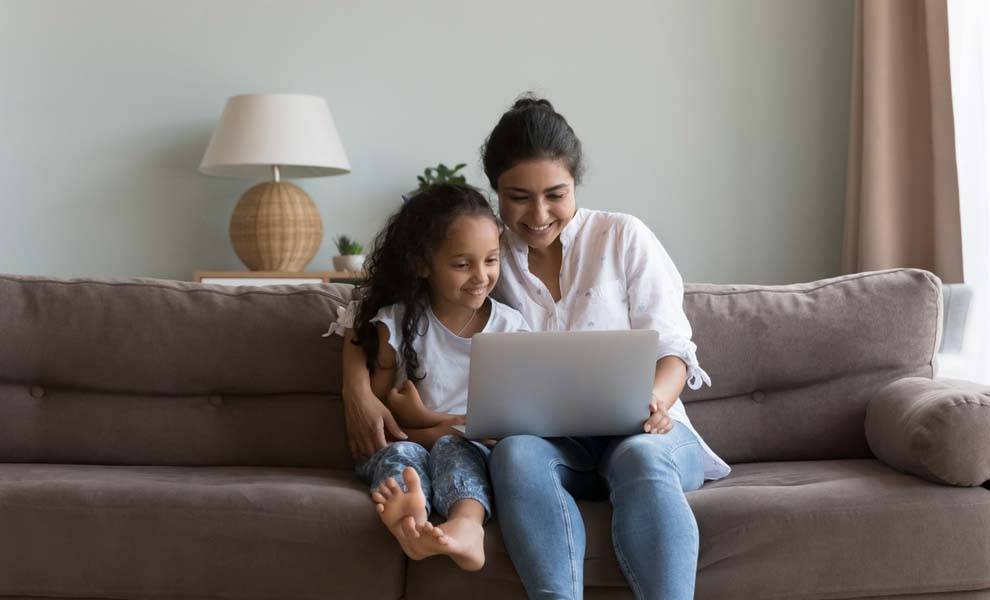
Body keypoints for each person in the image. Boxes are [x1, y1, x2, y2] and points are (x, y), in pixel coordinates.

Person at [341, 96, 730, 599]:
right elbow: (366, 310)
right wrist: (358, 392)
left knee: (639, 456)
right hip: (556, 445)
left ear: (575, 184)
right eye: (519, 197)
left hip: (649, 432)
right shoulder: (487, 252)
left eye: (556, 194)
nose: (539, 214)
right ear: (497, 192)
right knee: (517, 453)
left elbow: (673, 346)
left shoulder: (623, 237)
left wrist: (654, 398)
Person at [327, 183, 529, 571]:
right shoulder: (396, 323)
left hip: (472, 450)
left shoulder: (510, 328)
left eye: (491, 260)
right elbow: (383, 430)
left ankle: (467, 527)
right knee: (401, 457)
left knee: (456, 451)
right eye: (462, 264)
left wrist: (430, 422)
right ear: (422, 264)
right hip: (407, 446)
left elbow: (503, 428)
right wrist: (435, 428)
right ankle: (411, 523)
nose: (481, 276)